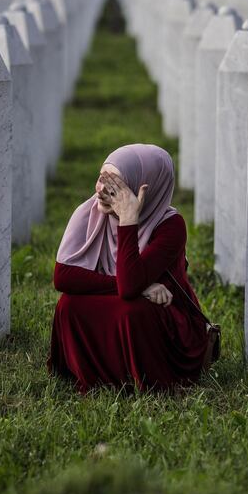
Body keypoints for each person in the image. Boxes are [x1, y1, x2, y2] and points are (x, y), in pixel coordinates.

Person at [48, 143, 209, 392]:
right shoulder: (88, 212)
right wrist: (141, 288)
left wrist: (128, 220)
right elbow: (63, 278)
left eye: (115, 186)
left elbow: (129, 286)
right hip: (135, 296)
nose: (102, 190)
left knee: (133, 311)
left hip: (166, 316)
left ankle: (143, 380)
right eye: (101, 179)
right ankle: (94, 375)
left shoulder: (171, 226)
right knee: (69, 304)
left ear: (144, 188)